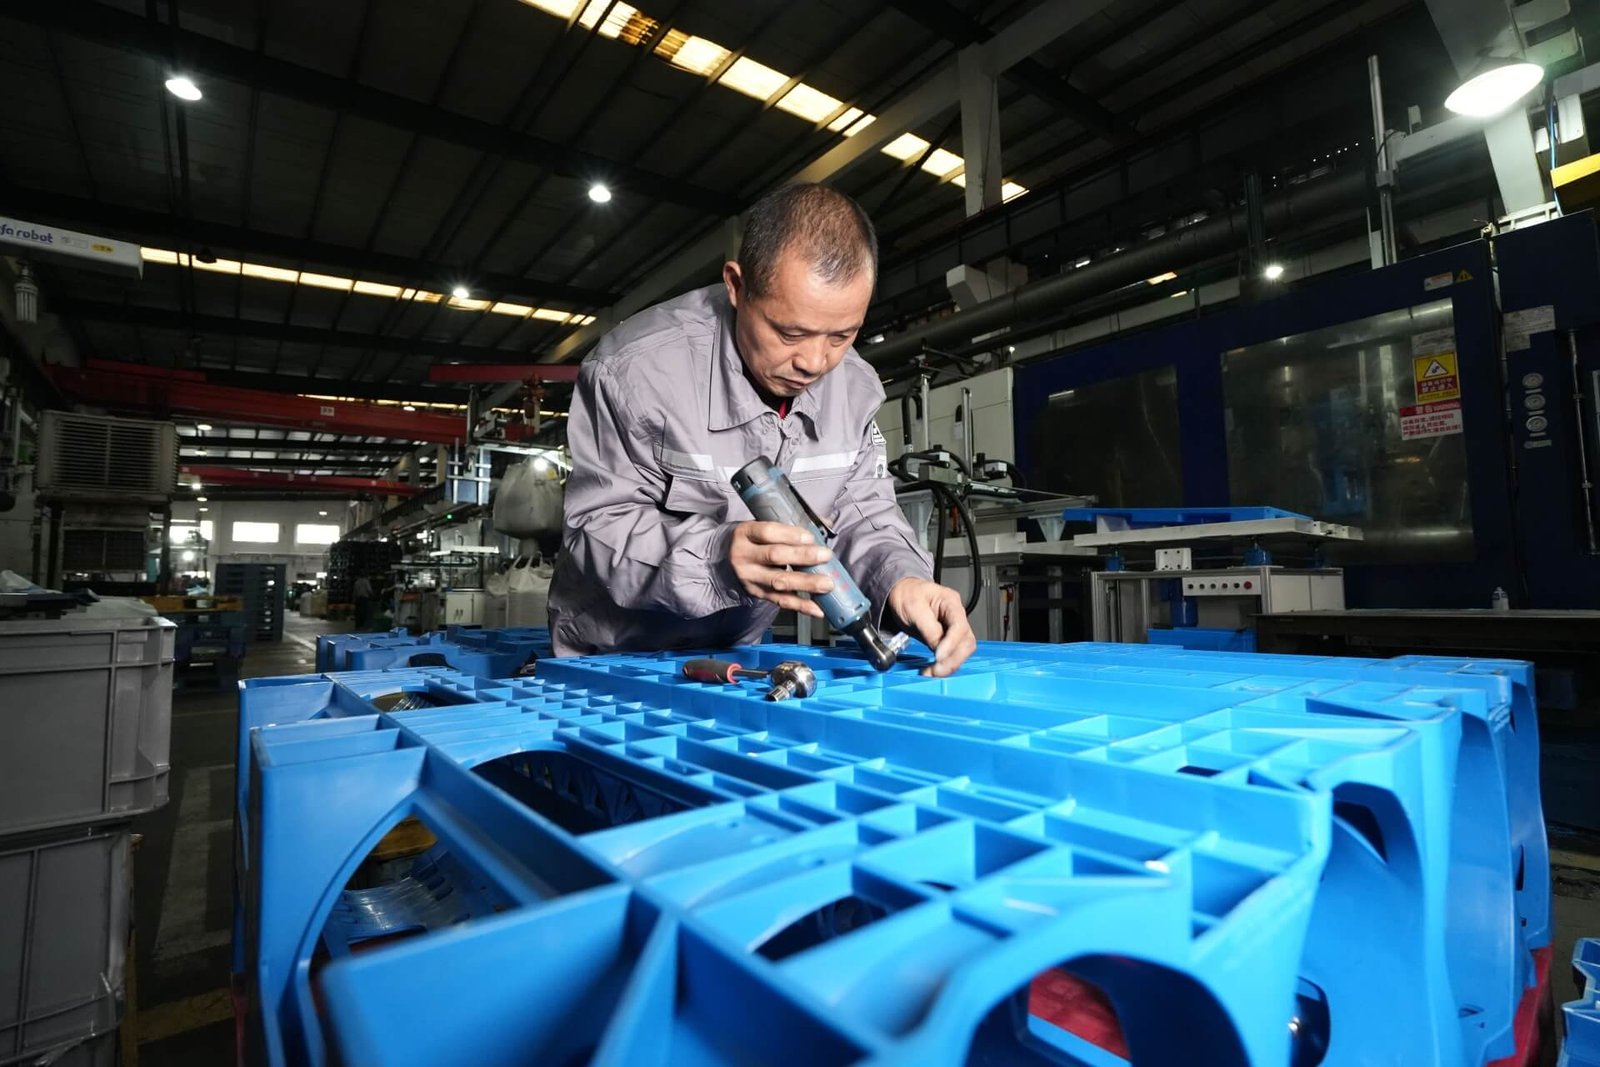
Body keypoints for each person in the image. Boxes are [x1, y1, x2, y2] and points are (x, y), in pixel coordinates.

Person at [549, 182, 976, 677]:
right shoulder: (633, 373)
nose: (814, 362)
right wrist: (715, 558)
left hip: (734, 660)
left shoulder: (855, 388)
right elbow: (595, 530)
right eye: (790, 332)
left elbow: (863, 512)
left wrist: (902, 580)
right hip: (612, 659)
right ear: (737, 286)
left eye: (842, 335)